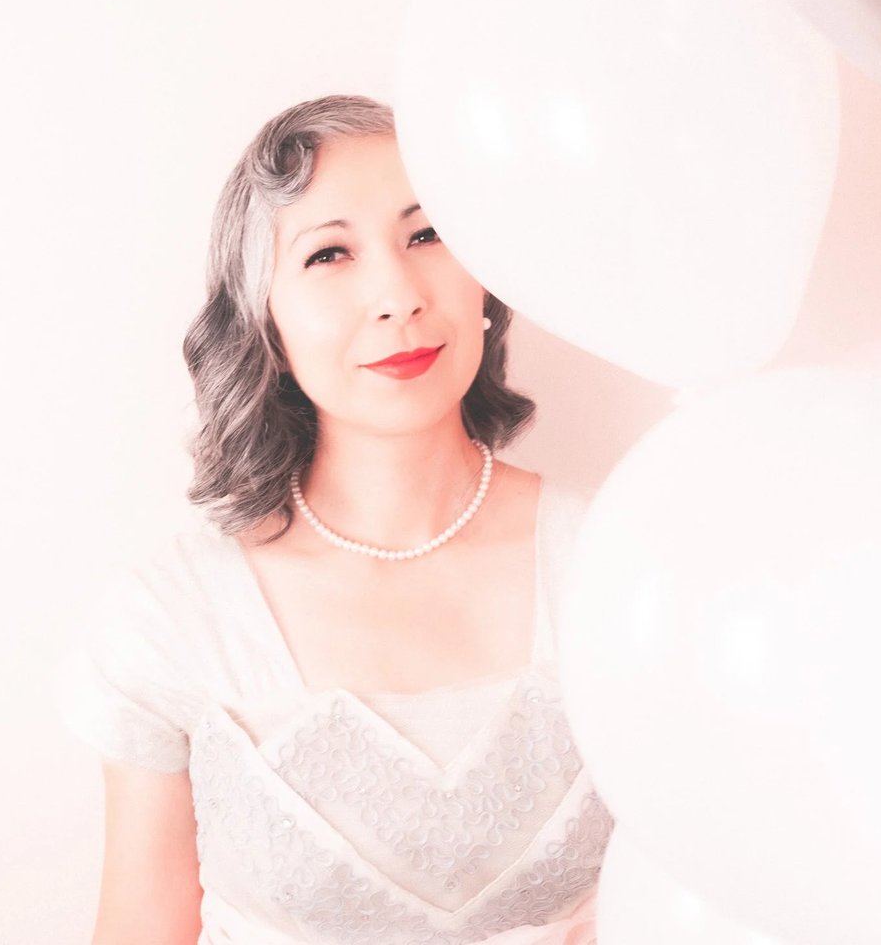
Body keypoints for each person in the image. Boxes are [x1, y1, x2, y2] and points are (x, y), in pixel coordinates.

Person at [54, 94, 614, 945]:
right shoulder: (175, 621)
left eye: (426, 235)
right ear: (264, 319)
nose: (397, 296)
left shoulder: (616, 563)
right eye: (329, 255)